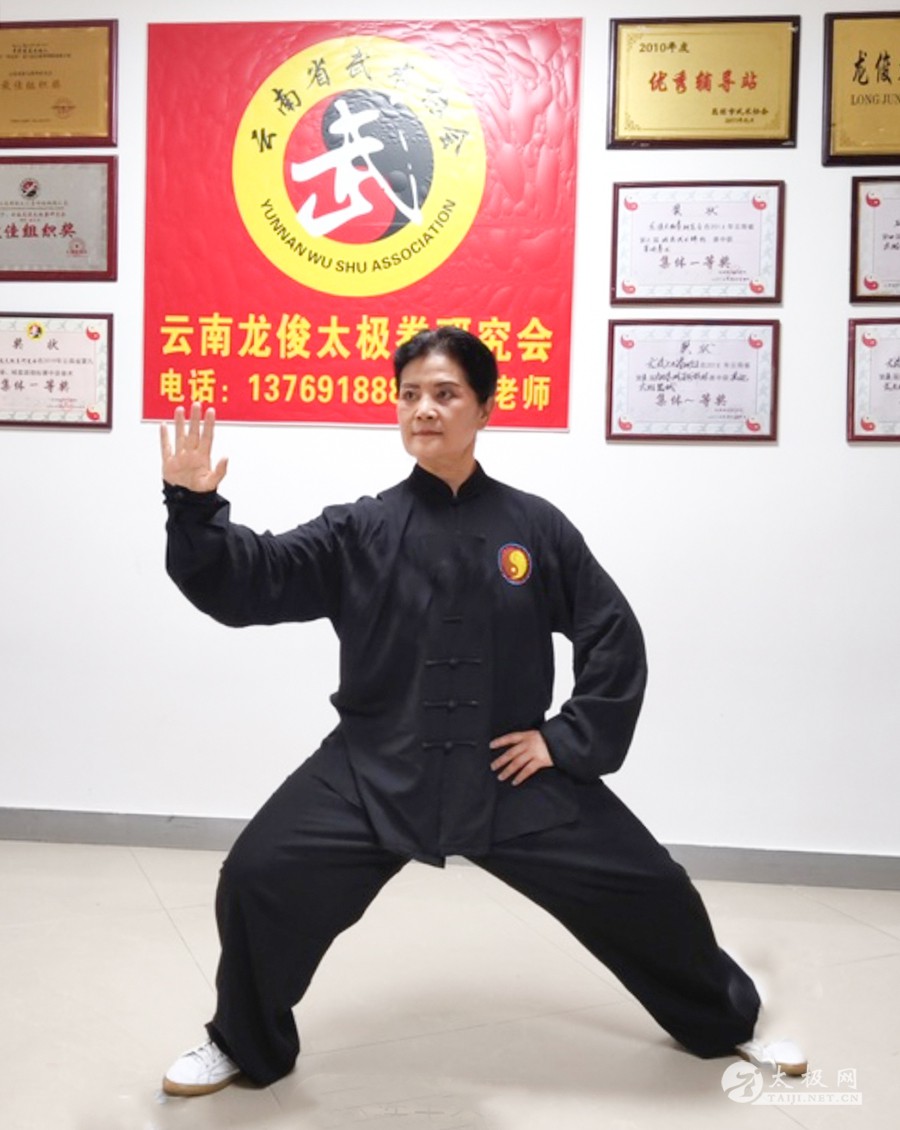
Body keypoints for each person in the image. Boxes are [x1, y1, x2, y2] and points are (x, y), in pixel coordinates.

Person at [159, 327, 806, 1097]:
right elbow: (254, 577)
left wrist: (566, 740)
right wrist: (194, 508)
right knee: (257, 875)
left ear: (485, 409)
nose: (423, 410)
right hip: (374, 765)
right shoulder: (360, 529)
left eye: (445, 394)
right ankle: (242, 1042)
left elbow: (611, 631)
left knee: (652, 887)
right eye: (409, 395)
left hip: (507, 771)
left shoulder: (535, 528)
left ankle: (726, 1022)